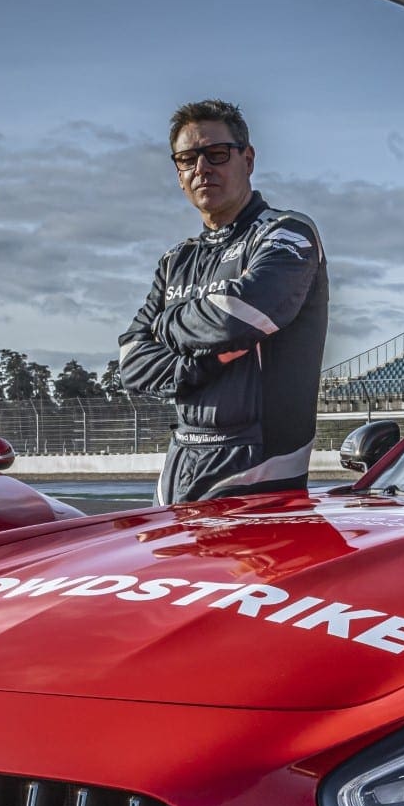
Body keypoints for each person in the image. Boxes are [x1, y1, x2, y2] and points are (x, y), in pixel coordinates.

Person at [119, 99, 329, 504]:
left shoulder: (288, 233)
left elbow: (241, 315)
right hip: (177, 473)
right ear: (178, 173)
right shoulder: (175, 260)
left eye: (216, 154)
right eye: (187, 159)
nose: (202, 169)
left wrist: (165, 324)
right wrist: (203, 362)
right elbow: (131, 360)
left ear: (247, 160)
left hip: (260, 474)